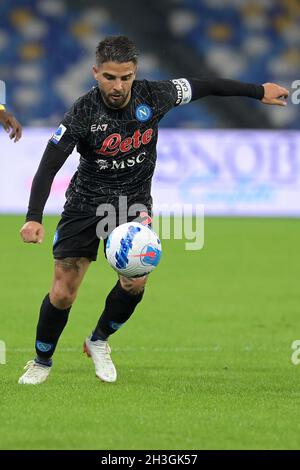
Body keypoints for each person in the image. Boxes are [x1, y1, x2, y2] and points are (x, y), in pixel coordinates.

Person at [18, 35, 289, 385]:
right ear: (95, 72)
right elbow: (49, 164)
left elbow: (205, 85)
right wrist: (33, 218)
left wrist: (257, 91)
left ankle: (98, 340)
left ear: (135, 73)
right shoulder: (82, 112)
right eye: (110, 77)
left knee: (135, 282)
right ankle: (42, 360)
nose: (118, 86)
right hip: (85, 204)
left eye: (126, 77)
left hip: (132, 205)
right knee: (63, 291)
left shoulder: (155, 95)